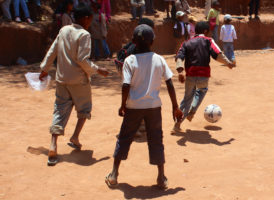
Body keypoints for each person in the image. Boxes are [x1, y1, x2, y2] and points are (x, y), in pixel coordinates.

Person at [105, 24, 183, 189]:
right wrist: (175, 106)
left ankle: (113, 174)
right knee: (156, 140)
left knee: (124, 138)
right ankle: (161, 177)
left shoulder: (130, 60)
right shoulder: (159, 59)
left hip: (134, 106)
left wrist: (122, 105)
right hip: (154, 107)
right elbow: (169, 84)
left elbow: (126, 85)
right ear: (152, 41)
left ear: (133, 41)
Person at [39, 3, 109, 166]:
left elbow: (53, 50)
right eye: (90, 19)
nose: (91, 22)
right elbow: (82, 59)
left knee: (59, 109)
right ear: (85, 19)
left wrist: (44, 69)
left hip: (62, 78)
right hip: (79, 80)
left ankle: (53, 145)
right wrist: (98, 69)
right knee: (84, 108)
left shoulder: (63, 30)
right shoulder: (84, 35)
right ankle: (75, 136)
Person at [173, 21, 235, 131]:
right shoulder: (208, 41)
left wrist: (180, 71)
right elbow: (217, 54)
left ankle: (177, 125)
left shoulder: (186, 42)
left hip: (190, 75)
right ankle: (193, 111)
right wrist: (228, 63)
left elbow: (179, 56)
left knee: (186, 99)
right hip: (203, 75)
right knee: (201, 91)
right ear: (205, 31)